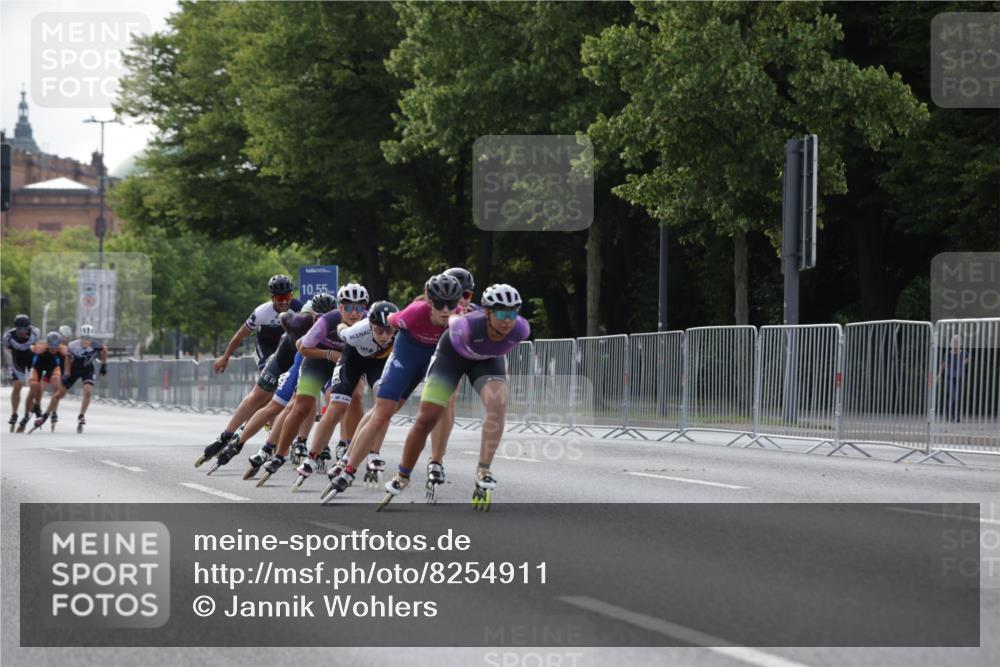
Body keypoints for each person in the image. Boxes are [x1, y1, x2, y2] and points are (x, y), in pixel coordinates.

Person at [377, 284, 529, 511]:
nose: (508, 320)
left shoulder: (521, 329)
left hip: (486, 360)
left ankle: (484, 469)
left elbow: (501, 355)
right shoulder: (464, 325)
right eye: (502, 313)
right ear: (487, 313)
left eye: (513, 313)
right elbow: (448, 323)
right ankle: (403, 474)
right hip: (451, 358)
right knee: (427, 417)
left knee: (498, 403)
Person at [322, 274, 463, 502]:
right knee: (382, 412)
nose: (446, 310)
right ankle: (349, 467)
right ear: (429, 303)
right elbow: (384, 324)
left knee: (445, 402)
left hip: (432, 362)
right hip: (405, 358)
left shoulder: (460, 320)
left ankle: (436, 461)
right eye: (439, 304)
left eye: (452, 304)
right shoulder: (413, 313)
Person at [195, 292, 335, 468]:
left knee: (304, 401)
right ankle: (228, 436)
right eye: (319, 318)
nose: (323, 323)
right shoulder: (298, 320)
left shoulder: (336, 324)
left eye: (327, 319)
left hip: (309, 361)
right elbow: (284, 319)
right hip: (287, 354)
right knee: (261, 398)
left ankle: (297, 441)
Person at [254, 283, 368, 485]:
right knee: (301, 406)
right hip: (316, 358)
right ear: (340, 307)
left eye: (359, 307)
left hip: (346, 361)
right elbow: (303, 348)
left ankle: (347, 446)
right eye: (349, 307)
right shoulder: (327, 321)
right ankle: (279, 454)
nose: (354, 313)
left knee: (356, 396)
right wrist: (329, 354)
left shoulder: (369, 322)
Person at [294, 300, 398, 489]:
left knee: (384, 406)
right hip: (352, 361)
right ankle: (312, 457)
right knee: (337, 409)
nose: (385, 336)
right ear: (371, 325)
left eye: (389, 330)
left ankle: (374, 453)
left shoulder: (399, 334)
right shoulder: (356, 331)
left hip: (378, 365)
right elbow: (341, 328)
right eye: (379, 330)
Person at [213, 274, 302, 374]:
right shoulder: (261, 313)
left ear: (292, 295)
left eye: (287, 296)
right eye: (280, 298)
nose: (285, 302)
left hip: (287, 345)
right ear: (272, 298)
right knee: (267, 376)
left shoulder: (299, 309)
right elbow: (239, 336)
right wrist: (225, 357)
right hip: (266, 346)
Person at [42, 324, 108, 433]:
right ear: (80, 337)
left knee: (88, 392)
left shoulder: (95, 344)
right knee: (58, 395)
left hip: (87, 370)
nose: (87, 341)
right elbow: (68, 358)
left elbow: (104, 350)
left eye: (89, 339)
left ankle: (81, 415)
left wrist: (104, 366)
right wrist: (67, 371)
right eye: (85, 339)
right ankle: (46, 415)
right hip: (74, 370)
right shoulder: (72, 345)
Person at [22, 332, 68, 433]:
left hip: (52, 368)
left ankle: (54, 412)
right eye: (51, 347)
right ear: (47, 343)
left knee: (57, 385)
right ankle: (29, 413)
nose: (54, 349)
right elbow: (27, 347)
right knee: (35, 388)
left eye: (56, 347)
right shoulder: (40, 347)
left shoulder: (63, 349)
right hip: (37, 368)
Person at [3, 314, 41, 432]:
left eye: (25, 329)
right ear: (16, 328)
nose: (22, 332)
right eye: (19, 329)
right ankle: (14, 414)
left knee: (35, 386)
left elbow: (37, 346)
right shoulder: (8, 336)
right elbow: (7, 350)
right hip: (17, 360)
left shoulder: (35, 332)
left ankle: (32, 409)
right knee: (17, 386)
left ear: (29, 327)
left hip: (31, 358)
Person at [941, 334, 971, 422]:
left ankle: (956, 416)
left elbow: (968, 359)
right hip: (949, 376)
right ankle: (949, 415)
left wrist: (963, 363)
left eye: (957, 342)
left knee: (958, 397)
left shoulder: (964, 353)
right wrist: (938, 375)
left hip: (959, 377)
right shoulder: (948, 353)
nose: (955, 344)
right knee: (952, 396)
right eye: (954, 342)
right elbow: (944, 364)